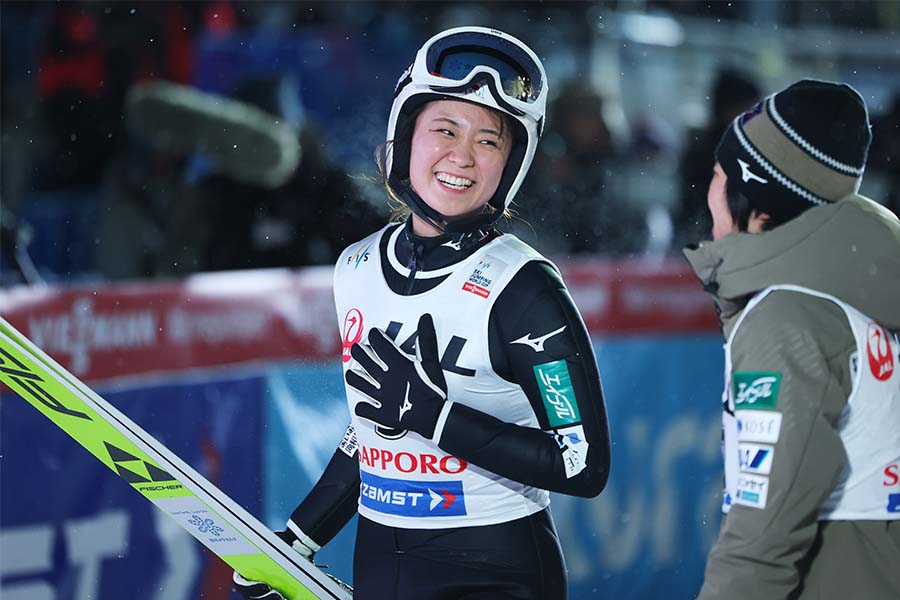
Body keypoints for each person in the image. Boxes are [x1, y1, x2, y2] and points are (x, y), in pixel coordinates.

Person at [233, 26, 611, 600]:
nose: (462, 155)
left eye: (489, 141)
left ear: (509, 167)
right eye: (445, 129)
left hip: (496, 569)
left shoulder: (525, 291)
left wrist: (434, 416)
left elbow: (582, 464)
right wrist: (298, 542)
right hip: (381, 562)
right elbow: (369, 431)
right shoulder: (356, 268)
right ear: (405, 139)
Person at [684, 79, 900, 599]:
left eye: (718, 176)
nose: (707, 192)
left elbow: (763, 536)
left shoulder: (788, 317)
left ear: (755, 204)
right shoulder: (863, 291)